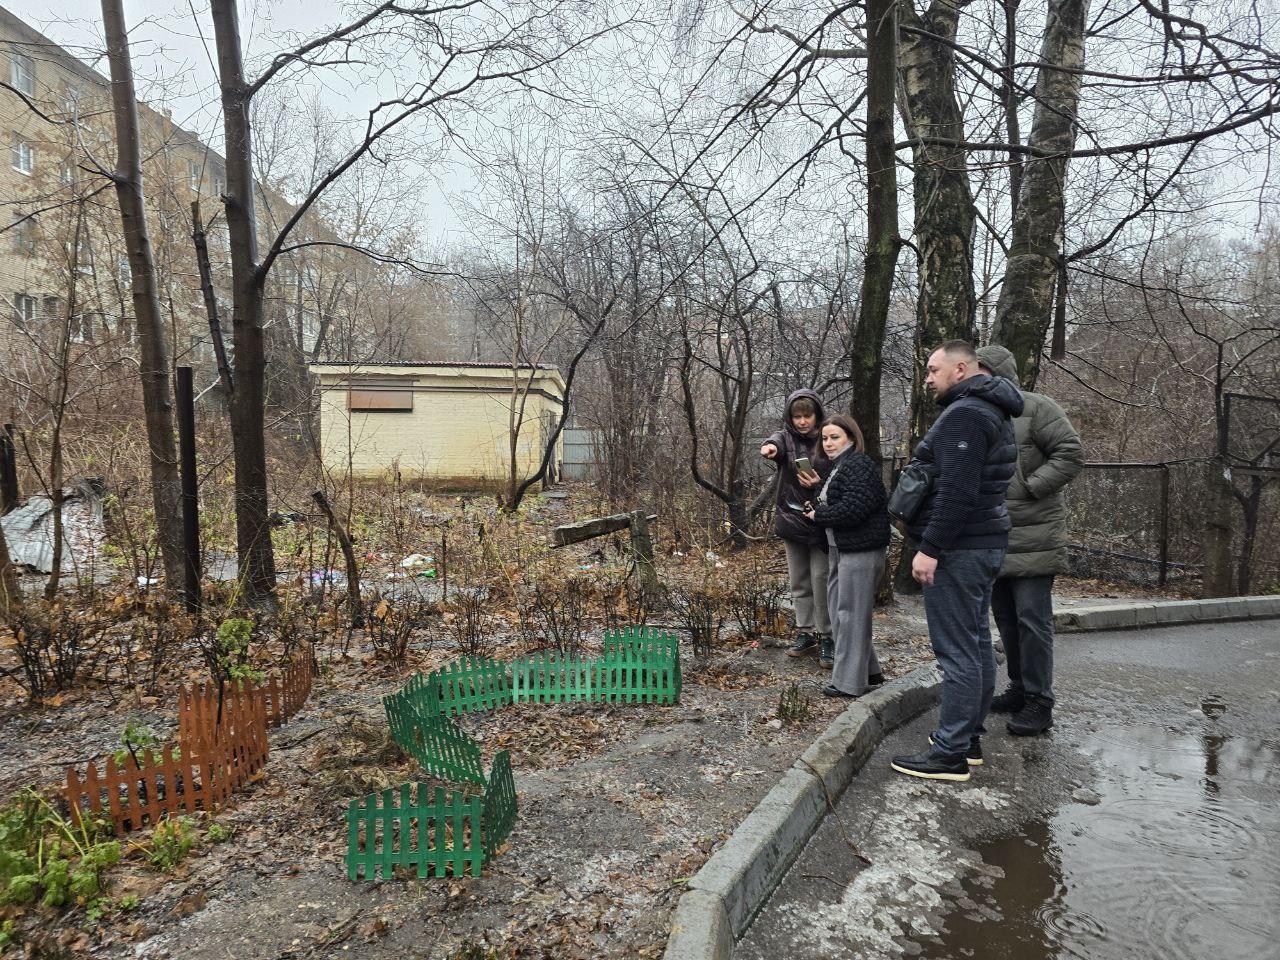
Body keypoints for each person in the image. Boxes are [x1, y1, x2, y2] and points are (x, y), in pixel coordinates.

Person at [890, 340, 1023, 783]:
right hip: (981, 543)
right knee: (977, 642)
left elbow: (958, 492)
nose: (927, 378)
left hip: (961, 548)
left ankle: (950, 752)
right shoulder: (992, 409)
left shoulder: (966, 414)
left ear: (961, 369)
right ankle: (967, 738)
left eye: (933, 369)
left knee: (958, 650)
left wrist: (930, 548)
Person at [975, 345, 1084, 737]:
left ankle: (1041, 700)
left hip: (1035, 533)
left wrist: (1029, 488)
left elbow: (1070, 453)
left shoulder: (1036, 407)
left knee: (1032, 620)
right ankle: (1020, 688)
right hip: (993, 533)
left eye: (983, 369)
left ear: (999, 372)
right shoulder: (978, 413)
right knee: (1005, 617)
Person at [803, 414, 890, 698]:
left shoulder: (859, 465)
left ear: (851, 438)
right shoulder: (838, 468)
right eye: (825, 438)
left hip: (861, 551)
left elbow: (854, 509)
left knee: (850, 616)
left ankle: (849, 684)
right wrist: (816, 494)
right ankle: (870, 672)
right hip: (841, 549)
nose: (828, 443)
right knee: (843, 614)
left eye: (835, 437)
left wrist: (819, 514)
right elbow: (839, 502)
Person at [761, 390, 833, 666]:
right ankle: (806, 632)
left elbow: (839, 471)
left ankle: (827, 635)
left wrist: (817, 482)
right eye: (797, 416)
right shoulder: (786, 437)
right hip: (792, 519)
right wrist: (770, 448)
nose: (802, 421)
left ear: (817, 415)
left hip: (822, 520)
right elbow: (775, 442)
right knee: (800, 582)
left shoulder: (827, 437)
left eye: (807, 415)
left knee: (821, 580)